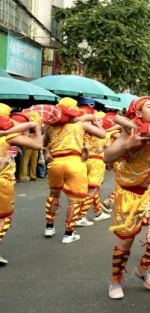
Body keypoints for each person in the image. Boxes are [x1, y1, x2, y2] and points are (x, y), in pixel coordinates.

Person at [103, 97, 150, 299]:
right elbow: (108, 156)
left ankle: (142, 270)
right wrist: (127, 144)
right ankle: (115, 281)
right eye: (149, 107)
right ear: (138, 114)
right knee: (126, 241)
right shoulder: (129, 130)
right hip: (130, 193)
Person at [42, 97, 105, 243]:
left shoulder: (50, 126)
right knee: (74, 200)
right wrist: (95, 121)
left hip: (55, 163)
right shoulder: (81, 124)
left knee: (54, 194)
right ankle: (69, 234)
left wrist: (46, 153)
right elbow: (102, 134)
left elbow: (44, 145)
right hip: (75, 163)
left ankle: (49, 226)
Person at [0, 104, 43, 265]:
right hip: (2, 182)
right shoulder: (7, 136)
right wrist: (35, 128)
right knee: (3, 217)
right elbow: (38, 144)